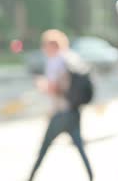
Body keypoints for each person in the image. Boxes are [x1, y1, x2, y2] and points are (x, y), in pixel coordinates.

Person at [28, 29, 94, 181]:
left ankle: (30, 177)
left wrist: (41, 84)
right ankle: (92, 176)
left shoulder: (56, 61)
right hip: (74, 110)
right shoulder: (72, 58)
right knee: (80, 148)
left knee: (44, 147)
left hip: (62, 113)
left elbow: (55, 88)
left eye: (45, 45)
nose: (43, 48)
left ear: (52, 45)